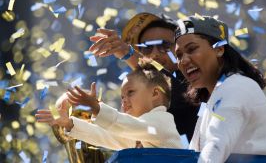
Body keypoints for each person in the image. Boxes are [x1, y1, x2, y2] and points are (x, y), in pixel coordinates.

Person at [174, 15, 266, 162]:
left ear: (219, 49)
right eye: (179, 55)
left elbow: (215, 148)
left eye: (192, 49)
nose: (184, 60)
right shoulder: (215, 96)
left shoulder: (236, 87)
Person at [89, 12, 199, 141]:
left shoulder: (197, 81)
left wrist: (127, 53)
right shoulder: (136, 93)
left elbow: (171, 86)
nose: (155, 54)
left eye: (165, 46)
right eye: (146, 48)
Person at [35, 63, 183, 150]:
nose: (124, 101)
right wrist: (70, 123)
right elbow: (106, 136)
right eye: (122, 97)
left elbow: (129, 125)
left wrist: (96, 107)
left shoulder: (162, 121)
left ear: (155, 93)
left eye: (130, 92)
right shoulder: (139, 132)